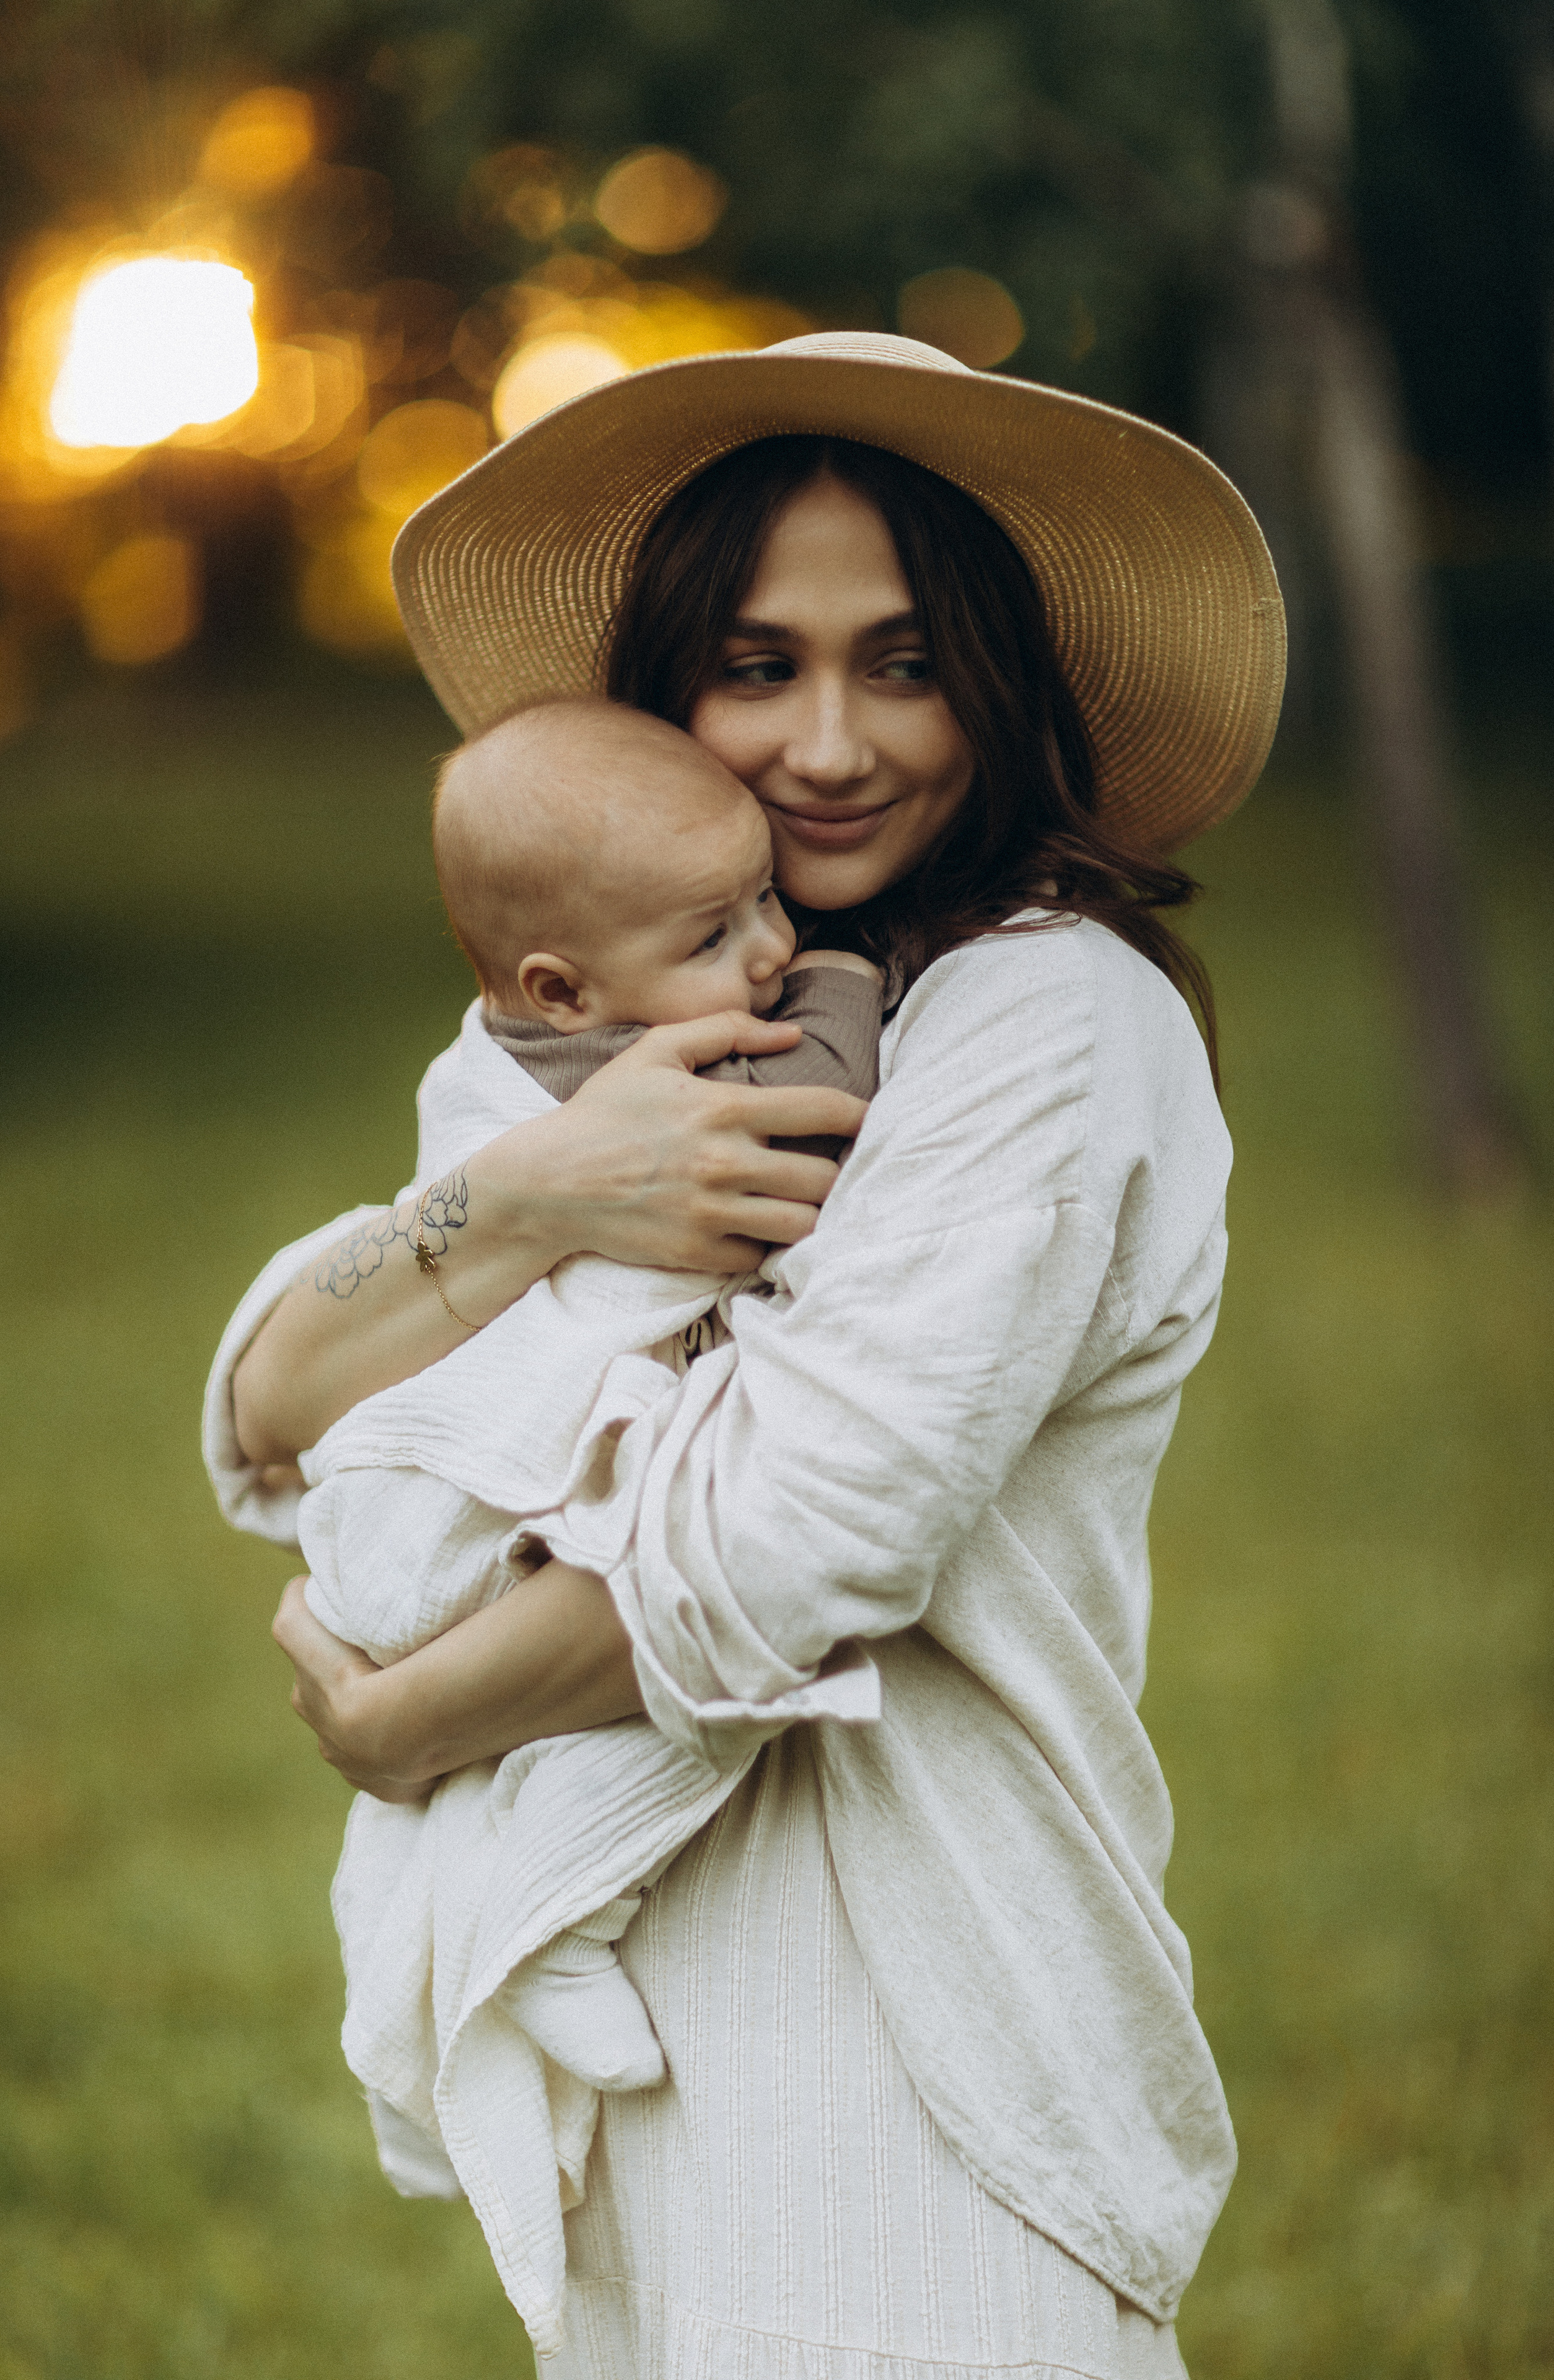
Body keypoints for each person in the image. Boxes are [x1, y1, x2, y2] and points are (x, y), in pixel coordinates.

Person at [213, 332, 1285, 2378]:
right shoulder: (621, 1026)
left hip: (924, 2015)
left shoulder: (1047, 1023)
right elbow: (270, 1398)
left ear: (994, 680)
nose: (830, 746)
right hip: (648, 2055)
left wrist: (404, 1720)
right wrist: (542, 1195)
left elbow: (780, 1548)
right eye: (757, 664)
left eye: (902, 661)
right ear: (668, 696)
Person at [234, 695, 884, 2242]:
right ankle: (545, 1927)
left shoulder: (603, 1007)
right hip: (494, 1479)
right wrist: (854, 981)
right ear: (557, 987)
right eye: (720, 927)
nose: (770, 950)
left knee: (613, 1666)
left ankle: (529, 1929)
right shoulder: (543, 1078)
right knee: (640, 1685)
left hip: (556, 1522)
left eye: (770, 906)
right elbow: (809, 1112)